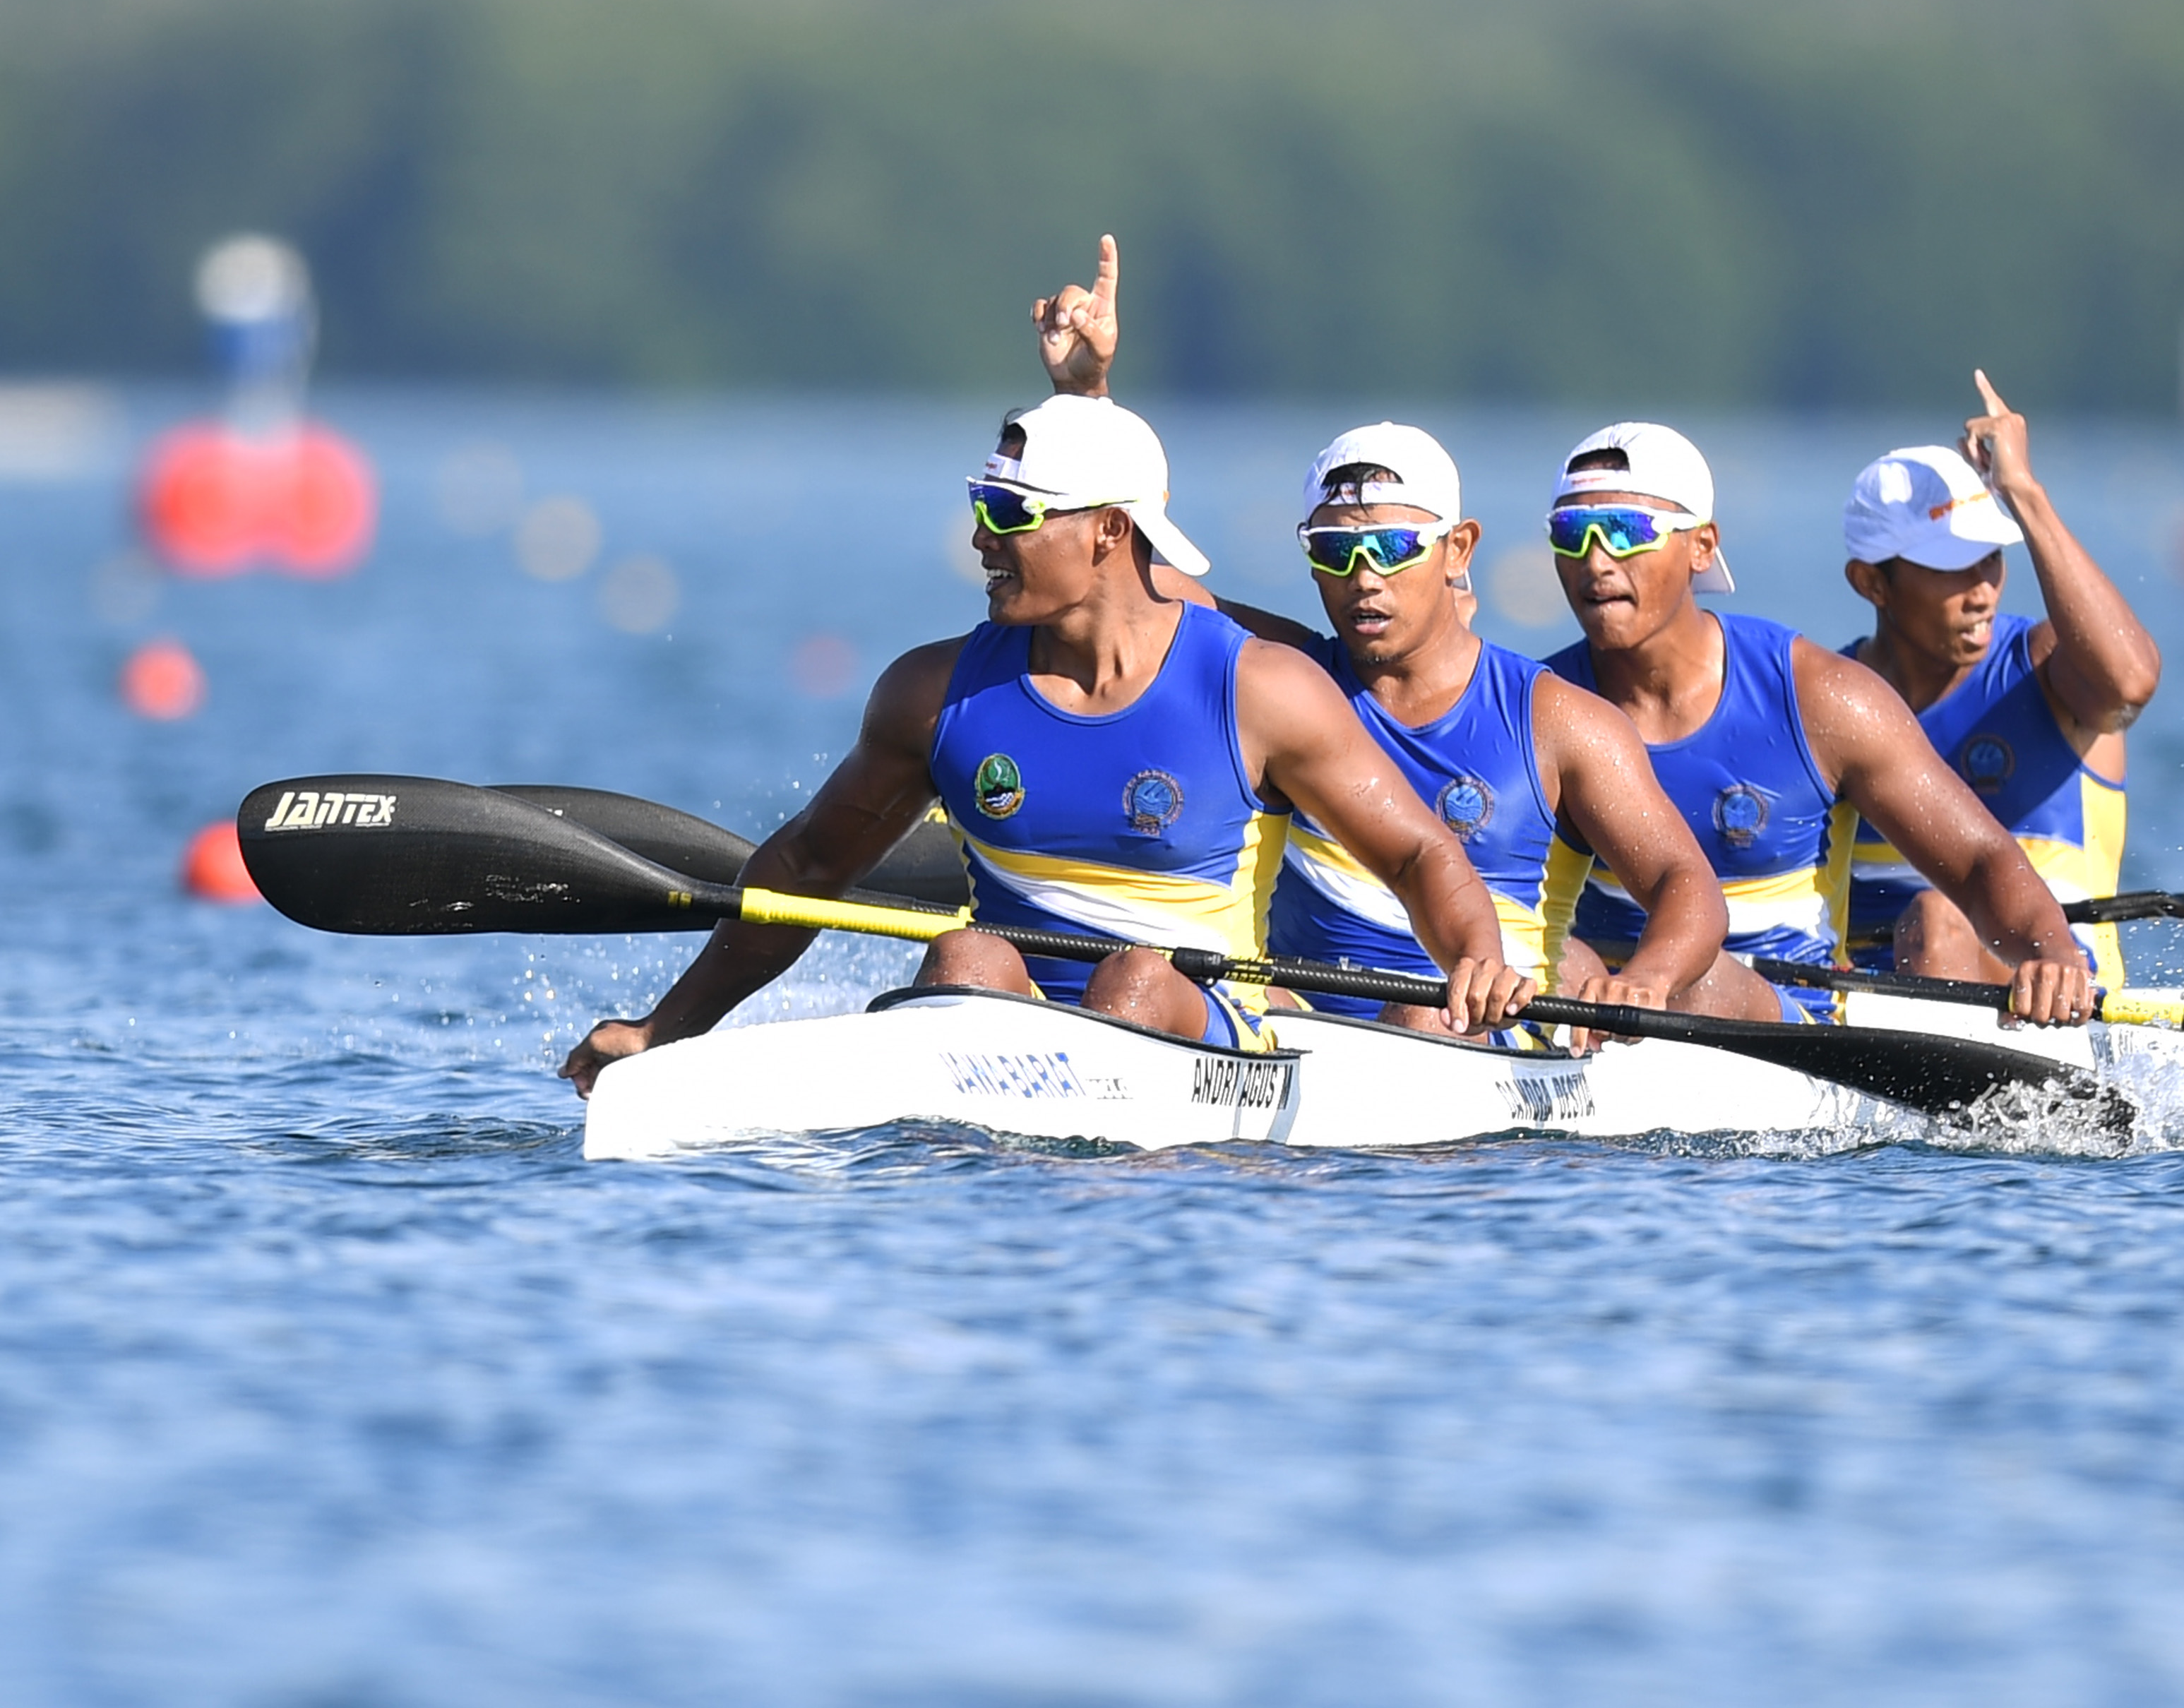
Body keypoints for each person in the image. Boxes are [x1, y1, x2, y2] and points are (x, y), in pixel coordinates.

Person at [560, 237, 1534, 1094]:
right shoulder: (935, 692)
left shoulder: (1258, 689)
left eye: (1012, 516)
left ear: (1111, 531)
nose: (983, 538)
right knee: (965, 954)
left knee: (1137, 977)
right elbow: (809, 869)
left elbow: (1416, 854)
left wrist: (1479, 964)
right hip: (1000, 1029)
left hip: (1206, 1035)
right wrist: (664, 1032)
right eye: (984, 504)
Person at [1025, 255, 1725, 1041]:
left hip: (1477, 1038)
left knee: (1419, 1016)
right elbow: (1123, 568)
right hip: (1300, 1025)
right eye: (1332, 551)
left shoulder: (1560, 721)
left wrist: (1649, 978)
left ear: (1458, 548)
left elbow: (1682, 882)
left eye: (1392, 549)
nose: (1363, 579)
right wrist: (1083, 399)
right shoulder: (1279, 681)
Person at [1541, 421, 2095, 1027]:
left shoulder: (1818, 696)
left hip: (1790, 1026)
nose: (1596, 561)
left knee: (1701, 981)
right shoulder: (1536, 705)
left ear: (1702, 546)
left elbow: (1980, 860)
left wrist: (2052, 952)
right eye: (1570, 534)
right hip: (1599, 1013)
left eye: (1626, 532)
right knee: (1549, 957)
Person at [1839, 372, 2161, 989]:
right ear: (1871, 583)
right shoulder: (1829, 699)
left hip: (2047, 1004)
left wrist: (2024, 493)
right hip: (1861, 1005)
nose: (1983, 590)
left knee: (1936, 921)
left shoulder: (2046, 669)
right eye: (1953, 568)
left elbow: (2130, 684)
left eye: (1991, 556)